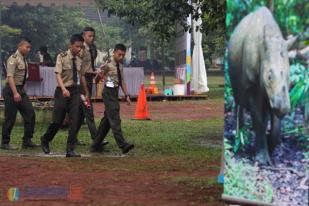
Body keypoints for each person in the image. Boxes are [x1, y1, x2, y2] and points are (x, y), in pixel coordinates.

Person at [40, 34, 88, 157]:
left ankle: (70, 149)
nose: (79, 49)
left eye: (81, 47)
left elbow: (81, 76)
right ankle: (46, 139)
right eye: (77, 46)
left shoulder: (79, 59)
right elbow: (57, 74)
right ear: (70, 45)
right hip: (62, 91)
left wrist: (85, 92)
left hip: (75, 91)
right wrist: (63, 89)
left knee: (74, 120)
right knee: (57, 121)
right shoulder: (61, 57)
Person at [91, 44, 134, 154]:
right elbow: (96, 80)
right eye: (119, 54)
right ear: (114, 52)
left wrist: (127, 95)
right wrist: (99, 75)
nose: (121, 57)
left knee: (107, 120)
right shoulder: (107, 64)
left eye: (123, 55)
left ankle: (96, 144)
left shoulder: (120, 66)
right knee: (114, 118)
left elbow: (122, 81)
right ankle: (122, 144)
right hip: (108, 92)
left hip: (114, 92)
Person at [1, 37, 39, 150]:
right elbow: (10, 77)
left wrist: (21, 91)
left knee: (30, 114)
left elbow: (22, 77)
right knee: (10, 117)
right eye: (27, 47)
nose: (29, 49)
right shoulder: (13, 59)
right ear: (20, 46)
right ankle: (5, 142)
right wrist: (15, 93)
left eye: (30, 47)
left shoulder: (24, 59)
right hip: (11, 90)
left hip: (20, 90)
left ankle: (27, 140)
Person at [75, 27, 108, 147]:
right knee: (88, 111)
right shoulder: (80, 49)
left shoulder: (91, 49)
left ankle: (73, 137)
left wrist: (98, 70)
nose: (92, 38)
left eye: (93, 36)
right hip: (82, 83)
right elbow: (81, 71)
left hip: (88, 81)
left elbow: (90, 67)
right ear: (83, 36)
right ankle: (96, 138)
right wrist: (95, 73)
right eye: (89, 36)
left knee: (81, 113)